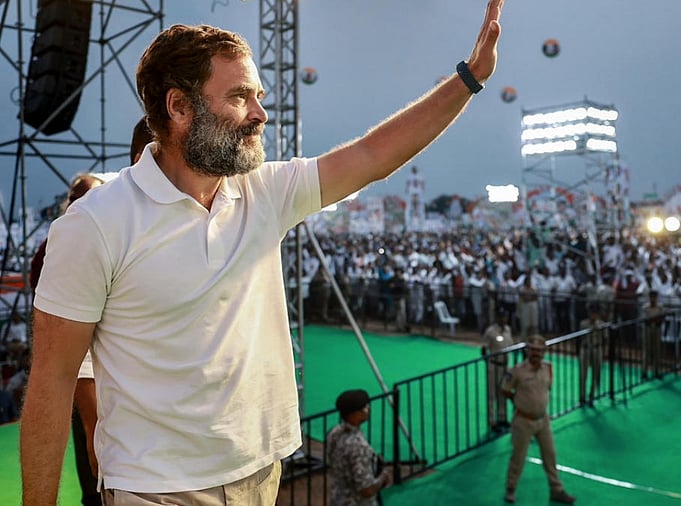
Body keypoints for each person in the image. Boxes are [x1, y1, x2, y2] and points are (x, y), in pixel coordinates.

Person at [21, 2, 504, 503]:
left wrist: (469, 78)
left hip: (262, 475)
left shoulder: (264, 191)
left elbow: (372, 155)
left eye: (259, 95)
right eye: (239, 96)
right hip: (157, 492)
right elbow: (52, 383)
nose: (260, 112)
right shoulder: (92, 224)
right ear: (179, 107)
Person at [29, 172, 107, 506]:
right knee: (92, 460)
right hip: (80, 372)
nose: (77, 203)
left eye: (85, 196)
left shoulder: (105, 239)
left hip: (104, 378)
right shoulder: (57, 246)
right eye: (74, 197)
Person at [501, 335, 576, 504]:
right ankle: (511, 488)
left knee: (550, 455)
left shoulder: (548, 368)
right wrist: (518, 402)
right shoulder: (517, 371)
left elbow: (547, 388)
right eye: (533, 349)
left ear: (544, 352)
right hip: (523, 421)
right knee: (518, 457)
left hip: (543, 420)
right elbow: (505, 389)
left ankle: (556, 490)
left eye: (539, 350)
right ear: (527, 350)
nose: (536, 353)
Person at [326, 389, 392, 506]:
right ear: (353, 414)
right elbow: (366, 489)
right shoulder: (358, 445)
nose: (368, 410)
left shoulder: (334, 433)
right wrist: (383, 477)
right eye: (365, 408)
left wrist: (372, 461)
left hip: (338, 499)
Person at [482, 310, 513, 431]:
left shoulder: (508, 330)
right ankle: (492, 421)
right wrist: (490, 364)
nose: (504, 319)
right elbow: (484, 350)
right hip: (494, 366)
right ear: (497, 318)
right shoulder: (490, 332)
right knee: (492, 394)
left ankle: (502, 418)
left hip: (505, 366)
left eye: (505, 317)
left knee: (503, 392)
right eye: (501, 317)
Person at [577, 305, 606, 406]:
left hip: (597, 348)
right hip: (585, 349)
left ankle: (592, 396)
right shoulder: (583, 324)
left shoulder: (602, 325)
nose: (593, 315)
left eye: (595, 314)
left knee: (596, 373)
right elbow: (579, 338)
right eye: (591, 313)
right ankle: (582, 397)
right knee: (583, 374)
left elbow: (605, 338)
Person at [642, 290, 666, 380]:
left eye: (654, 297)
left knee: (657, 350)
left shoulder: (660, 307)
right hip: (648, 329)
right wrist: (654, 320)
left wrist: (656, 320)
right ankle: (644, 372)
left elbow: (662, 318)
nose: (653, 299)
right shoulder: (645, 307)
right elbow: (645, 320)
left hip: (657, 329)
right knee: (647, 350)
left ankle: (657, 371)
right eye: (651, 297)